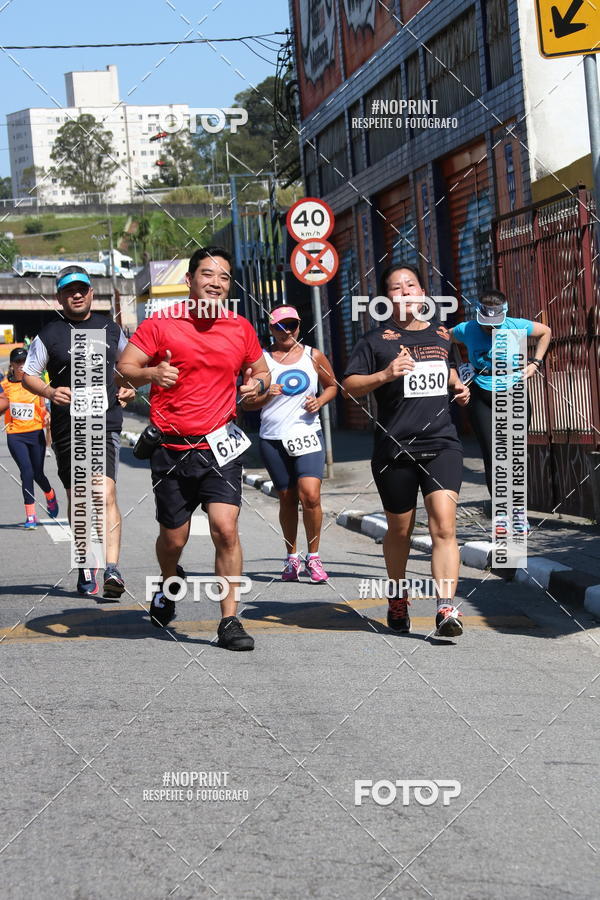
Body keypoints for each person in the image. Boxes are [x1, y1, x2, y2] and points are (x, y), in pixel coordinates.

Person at [117, 246, 271, 651]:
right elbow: (125, 367)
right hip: (170, 448)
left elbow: (262, 372)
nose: (216, 283)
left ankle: (230, 620)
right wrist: (151, 372)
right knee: (174, 538)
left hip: (221, 447)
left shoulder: (240, 327)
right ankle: (170, 582)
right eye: (208, 275)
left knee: (226, 528)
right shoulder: (160, 324)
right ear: (190, 281)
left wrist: (258, 386)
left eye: (223, 277)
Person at [342, 263, 470, 638]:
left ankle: (446, 608)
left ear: (423, 293)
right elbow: (349, 385)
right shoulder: (375, 341)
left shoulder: (442, 335)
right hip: (394, 449)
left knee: (444, 526)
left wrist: (459, 387)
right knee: (399, 530)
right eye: (396, 288)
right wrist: (385, 375)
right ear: (387, 299)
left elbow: (448, 369)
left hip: (442, 444)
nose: (405, 292)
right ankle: (398, 595)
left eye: (411, 285)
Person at [22, 265, 135, 599]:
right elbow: (29, 373)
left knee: (104, 492)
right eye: (69, 290)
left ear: (91, 293)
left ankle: (112, 569)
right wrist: (48, 392)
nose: (76, 295)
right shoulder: (49, 334)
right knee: (80, 497)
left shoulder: (111, 329)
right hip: (67, 425)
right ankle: (87, 563)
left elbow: (130, 368)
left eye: (82, 289)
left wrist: (129, 387)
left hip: (105, 421)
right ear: (59, 296)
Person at [242, 304, 337, 582]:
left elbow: (332, 385)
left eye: (292, 325)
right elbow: (247, 404)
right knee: (286, 498)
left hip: (308, 435)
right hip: (273, 438)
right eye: (280, 326)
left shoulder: (312, 355)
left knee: (310, 495)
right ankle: (291, 558)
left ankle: (314, 558)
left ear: (299, 326)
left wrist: (318, 402)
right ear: (270, 329)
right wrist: (266, 395)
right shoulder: (260, 360)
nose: (287, 332)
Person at [450, 290, 551, 524]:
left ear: (504, 314)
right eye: (486, 324)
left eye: (495, 324)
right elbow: (445, 338)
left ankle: (518, 513)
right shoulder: (468, 328)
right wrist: (458, 368)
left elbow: (546, 332)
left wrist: (535, 363)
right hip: (482, 398)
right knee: (492, 456)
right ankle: (502, 513)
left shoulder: (517, 325)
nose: (490, 329)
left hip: (514, 393)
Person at [0, 346, 59, 528]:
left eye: (24, 361)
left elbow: (44, 404)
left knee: (38, 473)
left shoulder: (35, 382)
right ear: (11, 365)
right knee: (26, 471)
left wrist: (47, 414)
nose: (21, 365)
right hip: (15, 434)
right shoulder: (5, 386)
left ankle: (50, 494)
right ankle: (31, 515)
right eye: (17, 362)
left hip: (35, 432)